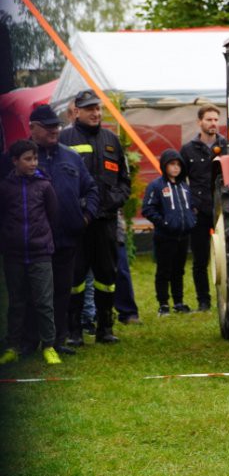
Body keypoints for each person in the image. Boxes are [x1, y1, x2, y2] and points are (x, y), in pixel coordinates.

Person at [60, 89, 131, 345]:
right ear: (77, 111)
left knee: (106, 277)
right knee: (75, 278)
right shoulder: (64, 140)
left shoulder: (112, 139)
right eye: (90, 109)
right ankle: (74, 330)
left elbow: (125, 179)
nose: (96, 113)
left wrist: (114, 200)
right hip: (77, 223)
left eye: (98, 108)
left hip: (106, 222)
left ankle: (105, 328)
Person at [28, 105, 98, 355]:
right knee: (30, 292)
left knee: (61, 290)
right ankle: (28, 341)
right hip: (32, 241)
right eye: (47, 127)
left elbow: (91, 188)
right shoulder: (19, 157)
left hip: (66, 238)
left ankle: (58, 340)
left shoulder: (70, 157)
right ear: (32, 128)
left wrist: (86, 217)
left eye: (56, 126)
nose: (54, 130)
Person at [0, 140, 61, 366]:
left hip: (40, 254)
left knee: (44, 302)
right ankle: (13, 346)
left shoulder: (44, 186)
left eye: (35, 158)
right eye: (27, 159)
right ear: (15, 161)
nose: (33, 163)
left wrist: (44, 240)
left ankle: (49, 345)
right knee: (16, 302)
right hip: (14, 255)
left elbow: (54, 217)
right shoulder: (5, 188)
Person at [180, 104, 228, 311]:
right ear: (199, 122)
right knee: (200, 260)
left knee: (227, 257)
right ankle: (203, 301)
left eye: (216, 120)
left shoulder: (226, 146)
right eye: (209, 119)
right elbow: (181, 181)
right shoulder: (188, 149)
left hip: (224, 210)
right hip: (199, 210)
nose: (213, 123)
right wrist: (190, 207)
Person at [142, 150, 198, 316]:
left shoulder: (184, 187)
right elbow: (148, 208)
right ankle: (163, 304)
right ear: (165, 166)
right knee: (164, 270)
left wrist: (191, 220)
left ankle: (179, 302)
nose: (176, 168)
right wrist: (164, 223)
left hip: (183, 235)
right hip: (165, 236)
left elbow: (191, 206)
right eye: (172, 164)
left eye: (178, 165)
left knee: (178, 271)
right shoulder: (156, 185)